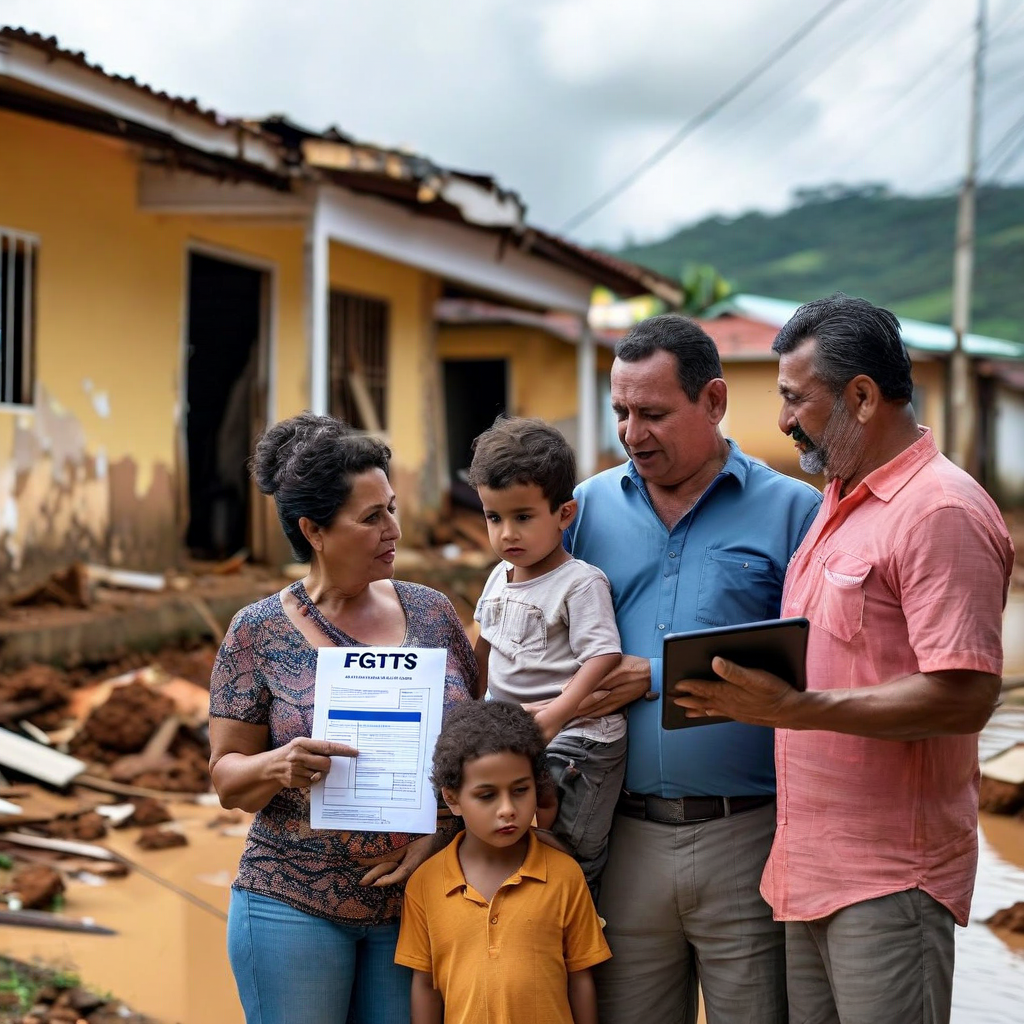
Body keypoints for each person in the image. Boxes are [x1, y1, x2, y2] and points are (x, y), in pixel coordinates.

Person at [673, 294, 1015, 1024]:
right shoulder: (837, 503)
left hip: (890, 878)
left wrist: (795, 710)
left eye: (797, 399)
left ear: (861, 397)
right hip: (807, 869)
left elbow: (964, 695)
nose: (784, 420)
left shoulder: (940, 510)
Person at [565, 314, 823, 1024]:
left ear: (713, 402)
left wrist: (655, 675)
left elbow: (820, 661)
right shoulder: (583, 510)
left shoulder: (796, 512)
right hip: (619, 839)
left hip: (751, 838)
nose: (631, 432)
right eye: (620, 411)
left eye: (652, 413)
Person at [208, 412, 475, 1024]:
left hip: (417, 901)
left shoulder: (433, 614)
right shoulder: (257, 632)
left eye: (393, 508)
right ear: (314, 531)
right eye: (371, 516)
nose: (393, 529)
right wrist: (281, 764)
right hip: (291, 903)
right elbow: (226, 780)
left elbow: (478, 749)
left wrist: (437, 838)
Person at [466, 416, 624, 892]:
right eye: (494, 518)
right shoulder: (501, 574)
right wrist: (469, 713)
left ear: (564, 514)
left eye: (523, 517)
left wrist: (557, 715)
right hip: (523, 736)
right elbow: (485, 645)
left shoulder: (579, 582)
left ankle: (581, 922)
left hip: (580, 740)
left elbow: (604, 657)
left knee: (570, 852)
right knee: (517, 843)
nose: (507, 533)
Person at [395, 699, 611, 1024]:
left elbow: (580, 977)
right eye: (487, 795)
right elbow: (426, 985)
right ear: (453, 799)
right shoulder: (425, 884)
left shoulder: (565, 875)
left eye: (521, 790)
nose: (507, 809)